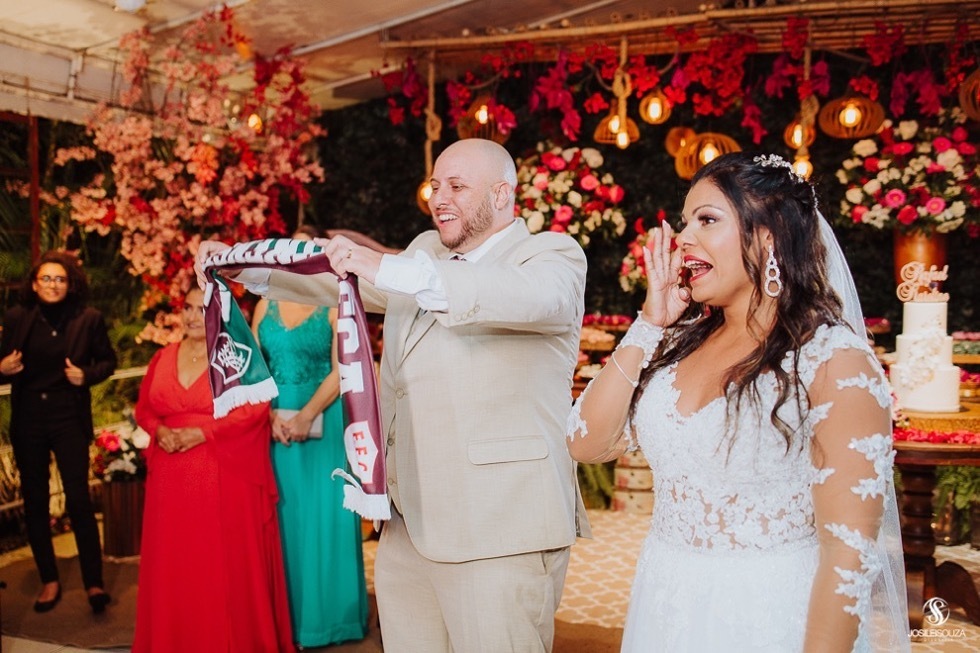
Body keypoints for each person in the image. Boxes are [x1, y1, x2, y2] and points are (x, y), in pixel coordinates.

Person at [196, 137, 591, 652]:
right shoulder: (425, 253)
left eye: (457, 186)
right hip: (406, 522)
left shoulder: (551, 257)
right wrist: (240, 266)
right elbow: (334, 283)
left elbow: (516, 296)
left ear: (502, 194)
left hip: (499, 530)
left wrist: (382, 264)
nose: (439, 197)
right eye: (435, 185)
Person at [566, 152, 909, 652]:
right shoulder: (677, 344)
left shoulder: (833, 360)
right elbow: (586, 442)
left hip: (768, 617)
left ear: (769, 236)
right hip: (666, 606)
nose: (684, 239)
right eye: (685, 222)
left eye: (706, 220)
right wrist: (649, 322)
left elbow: (848, 554)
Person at [132, 287, 294, 652]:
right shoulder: (162, 357)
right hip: (169, 482)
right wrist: (159, 431)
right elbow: (144, 409)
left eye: (201, 309)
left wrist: (202, 432)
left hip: (219, 474)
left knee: (215, 566)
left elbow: (255, 409)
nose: (192, 316)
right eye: (187, 308)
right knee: (173, 567)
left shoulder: (234, 356)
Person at [251, 225, 369, 647]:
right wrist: (266, 415)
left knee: (323, 518)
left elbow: (344, 370)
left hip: (323, 418)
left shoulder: (336, 300)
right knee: (283, 519)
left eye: (306, 247)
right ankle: (288, 620)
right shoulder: (264, 304)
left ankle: (327, 620)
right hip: (272, 425)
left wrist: (305, 416)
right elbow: (253, 368)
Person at [0, 250, 116, 614]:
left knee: (79, 500)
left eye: (60, 279)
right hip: (29, 419)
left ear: (71, 284)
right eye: (46, 278)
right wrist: (2, 367)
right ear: (34, 284)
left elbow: (108, 361)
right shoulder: (17, 318)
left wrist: (86, 375)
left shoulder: (88, 318)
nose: (53, 285)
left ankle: (94, 582)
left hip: (69, 417)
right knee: (35, 502)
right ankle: (49, 579)